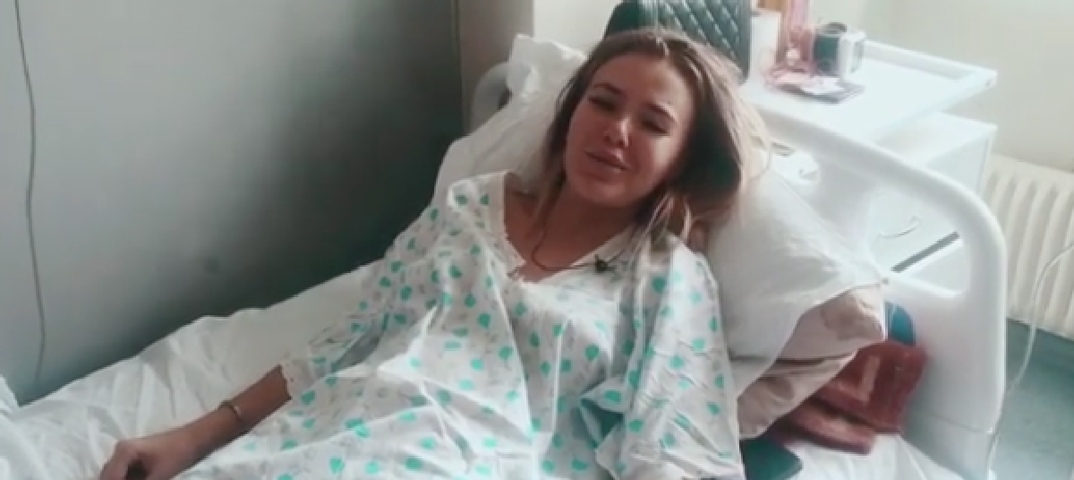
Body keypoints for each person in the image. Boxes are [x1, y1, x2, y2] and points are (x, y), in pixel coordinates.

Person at [99, 28, 764, 480]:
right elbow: (347, 341)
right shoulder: (470, 207)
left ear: (682, 161)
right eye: (604, 103)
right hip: (332, 436)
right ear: (571, 115)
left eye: (653, 124)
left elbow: (676, 447)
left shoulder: (667, 279)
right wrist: (190, 438)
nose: (616, 131)